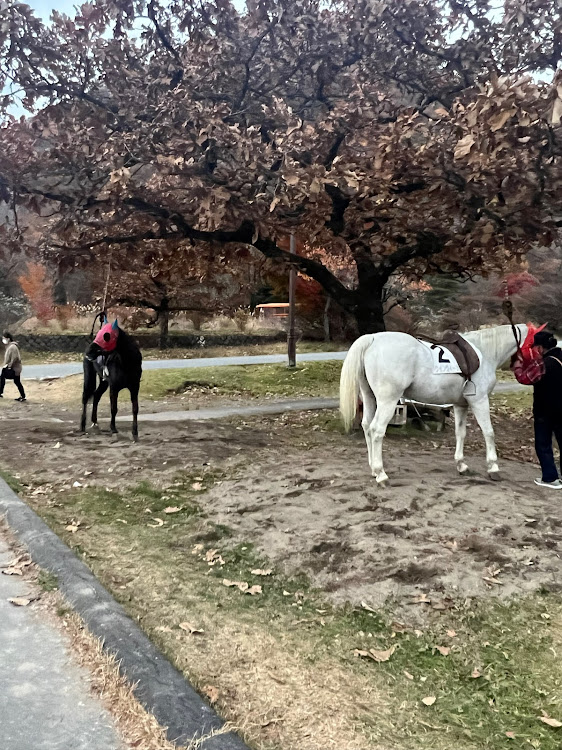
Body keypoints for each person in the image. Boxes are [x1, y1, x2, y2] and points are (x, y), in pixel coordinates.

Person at [511, 330, 562, 489]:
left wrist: (517, 363)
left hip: (545, 411)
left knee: (543, 444)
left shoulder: (544, 363)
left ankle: (550, 478)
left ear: (540, 348)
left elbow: (524, 378)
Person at [0, 332, 26, 402]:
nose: (3, 340)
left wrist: (9, 366)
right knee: (16, 381)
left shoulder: (13, 347)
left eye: (4, 338)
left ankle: (0, 392)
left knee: (3, 376)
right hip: (15, 368)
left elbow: (15, 358)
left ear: (8, 339)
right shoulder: (10, 346)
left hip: (15, 368)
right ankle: (23, 396)